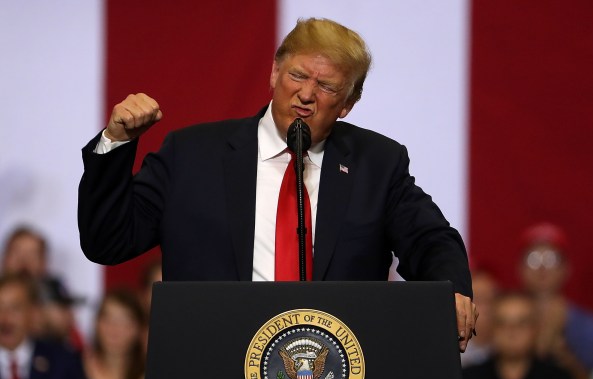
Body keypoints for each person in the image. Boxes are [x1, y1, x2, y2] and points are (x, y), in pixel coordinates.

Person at [77, 18, 476, 350]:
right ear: (273, 72)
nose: (306, 94)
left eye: (326, 87)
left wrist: (453, 290)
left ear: (348, 103)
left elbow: (430, 240)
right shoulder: (193, 155)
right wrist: (116, 142)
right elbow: (107, 240)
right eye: (297, 75)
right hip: (213, 368)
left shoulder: (377, 163)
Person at [518, 222, 593, 379]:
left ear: (566, 269)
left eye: (551, 260)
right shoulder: (504, 316)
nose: (542, 269)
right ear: (520, 269)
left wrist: (564, 356)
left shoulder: (585, 324)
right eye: (533, 260)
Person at [461, 265, 499, 367]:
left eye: (491, 300)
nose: (487, 308)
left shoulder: (508, 348)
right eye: (480, 300)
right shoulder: (453, 352)